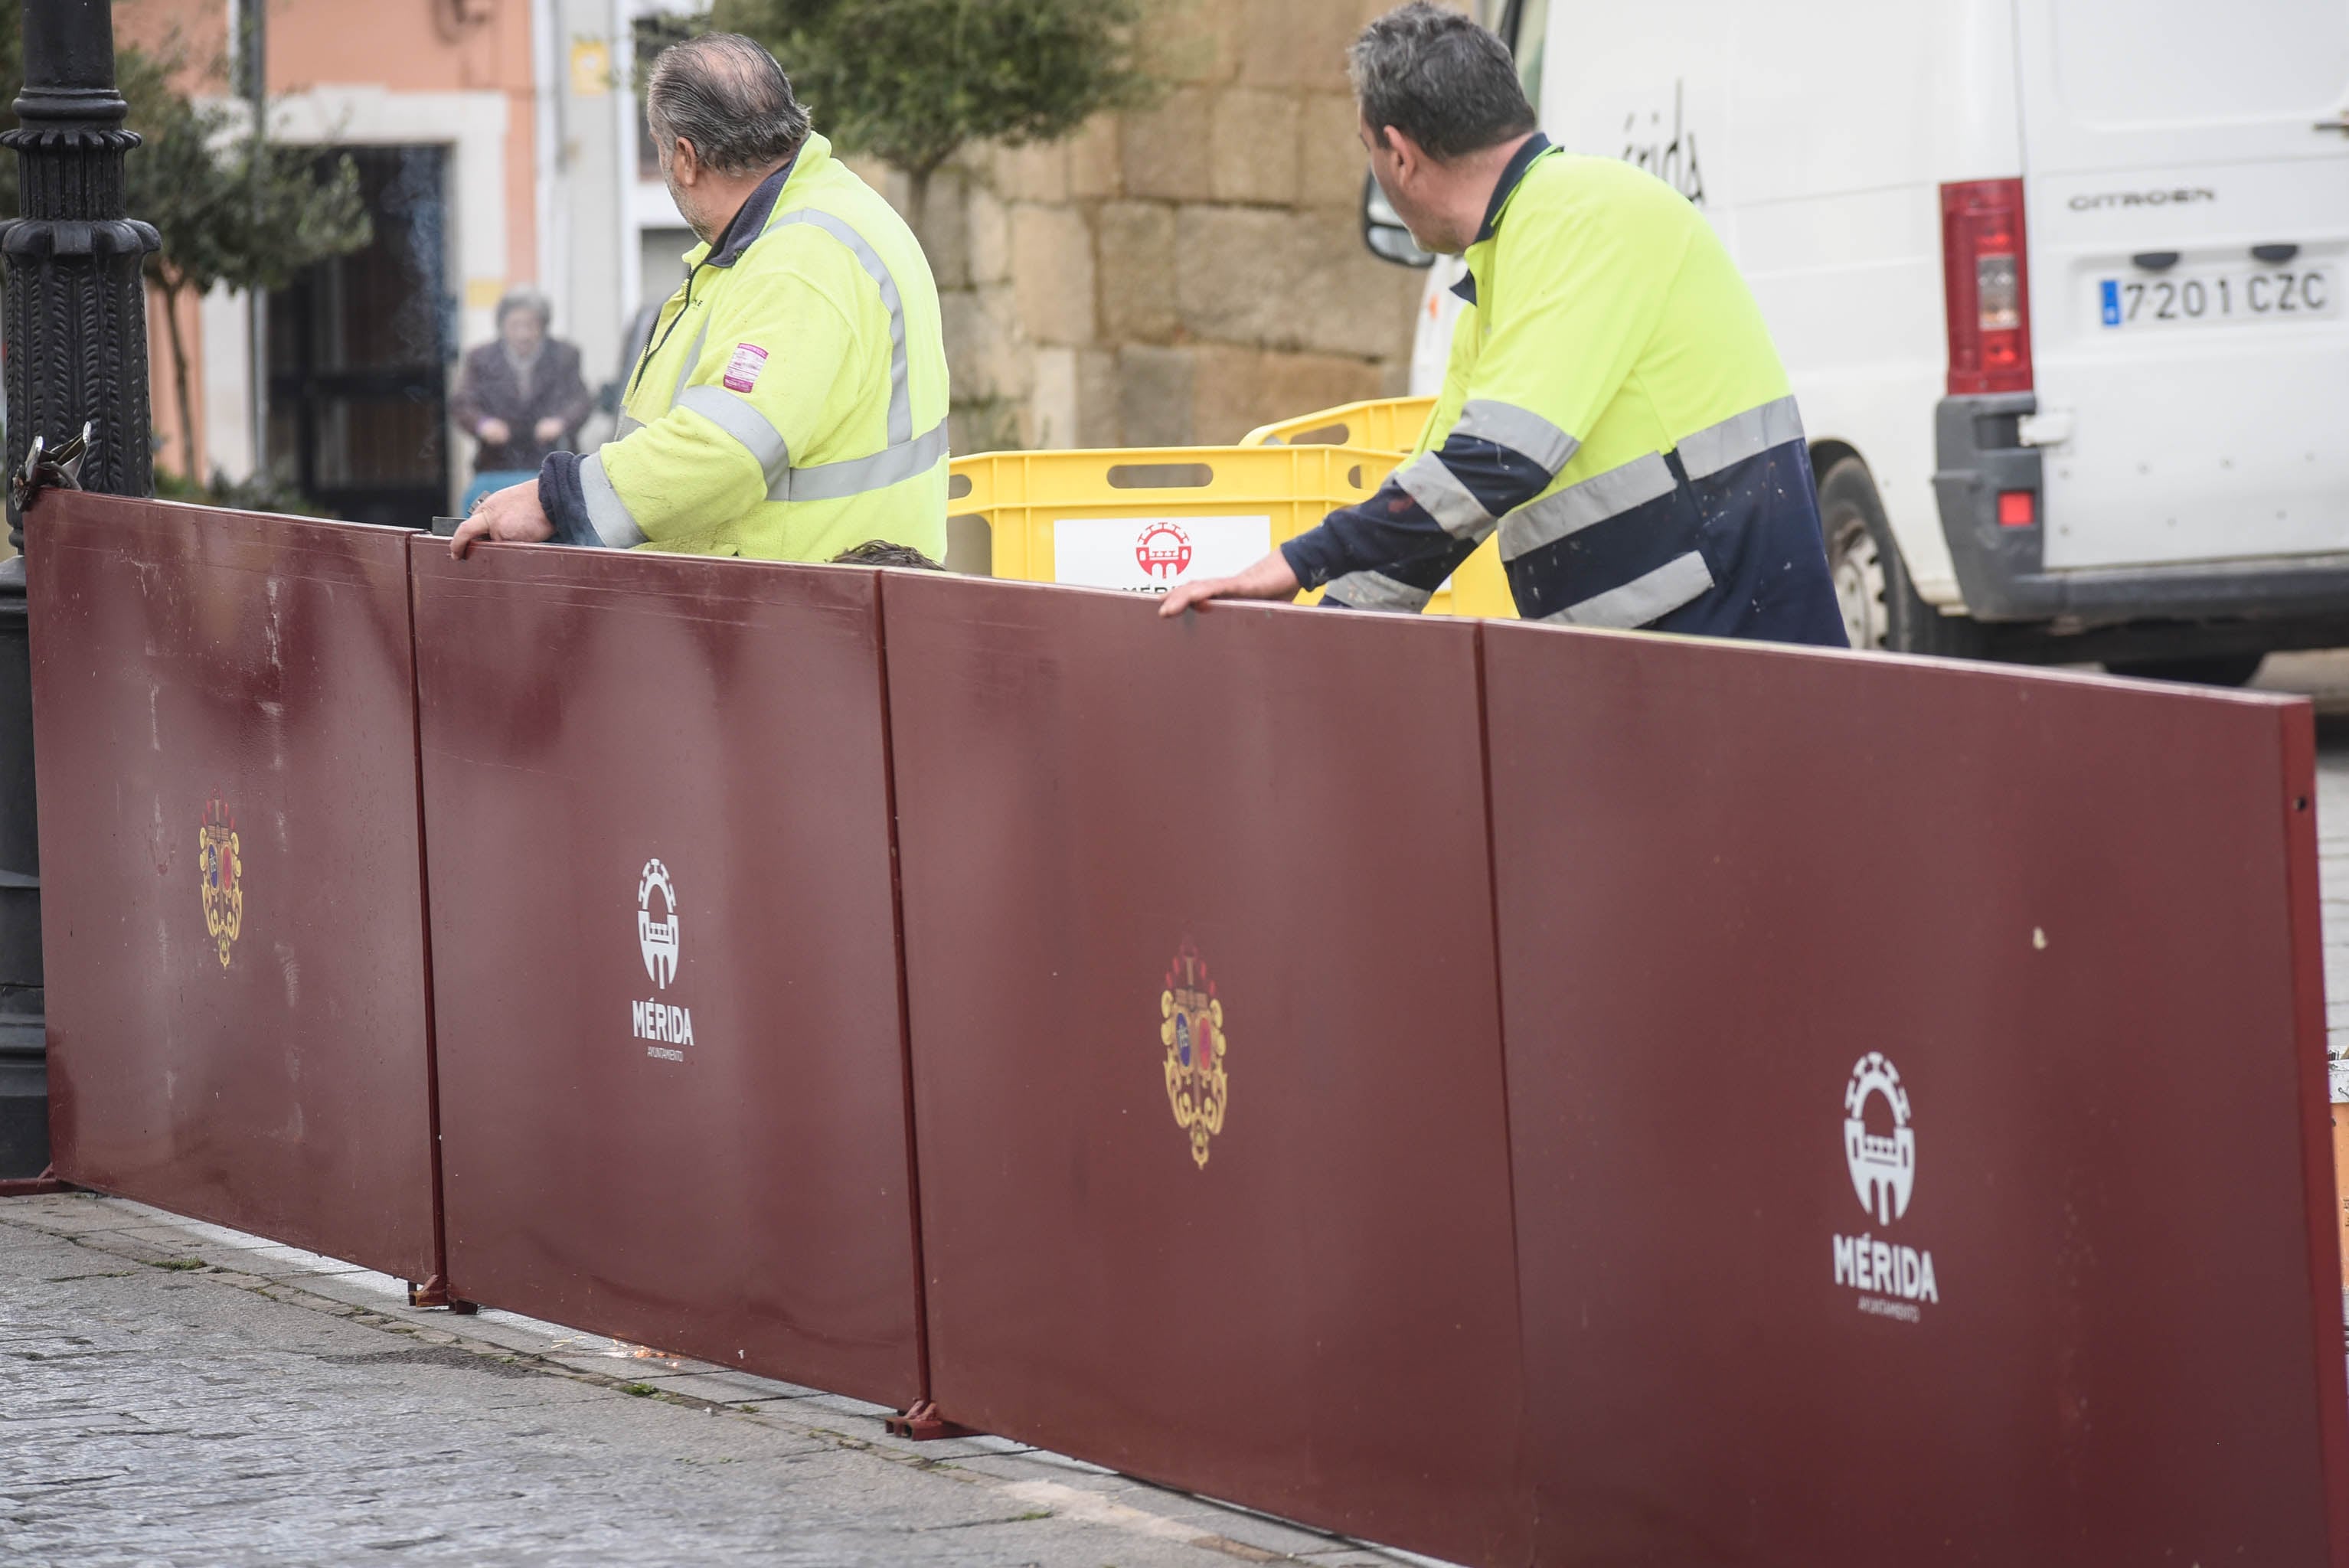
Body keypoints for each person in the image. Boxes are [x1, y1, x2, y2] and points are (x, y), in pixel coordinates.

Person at [1161, 3, 1844, 648]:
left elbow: (1495, 465)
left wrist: (1297, 561)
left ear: (1399, 154)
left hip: (1731, 645)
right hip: (1662, 653)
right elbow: (1437, 515)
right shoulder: (1508, 267)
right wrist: (1317, 641)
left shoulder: (1581, 217)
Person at [451, 33, 949, 564]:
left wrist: (556, 500)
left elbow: (724, 451)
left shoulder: (798, 258)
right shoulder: (822, 218)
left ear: (685, 157)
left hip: (809, 605)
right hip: (842, 595)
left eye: (660, 148)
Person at [449, 288, 593, 516]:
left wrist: (560, 422)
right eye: (515, 325)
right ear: (502, 325)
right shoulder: (481, 357)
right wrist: (484, 424)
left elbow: (580, 401)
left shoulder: (565, 355)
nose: (523, 334)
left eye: (531, 325)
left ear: (543, 326)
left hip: (550, 465)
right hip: (497, 465)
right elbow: (463, 403)